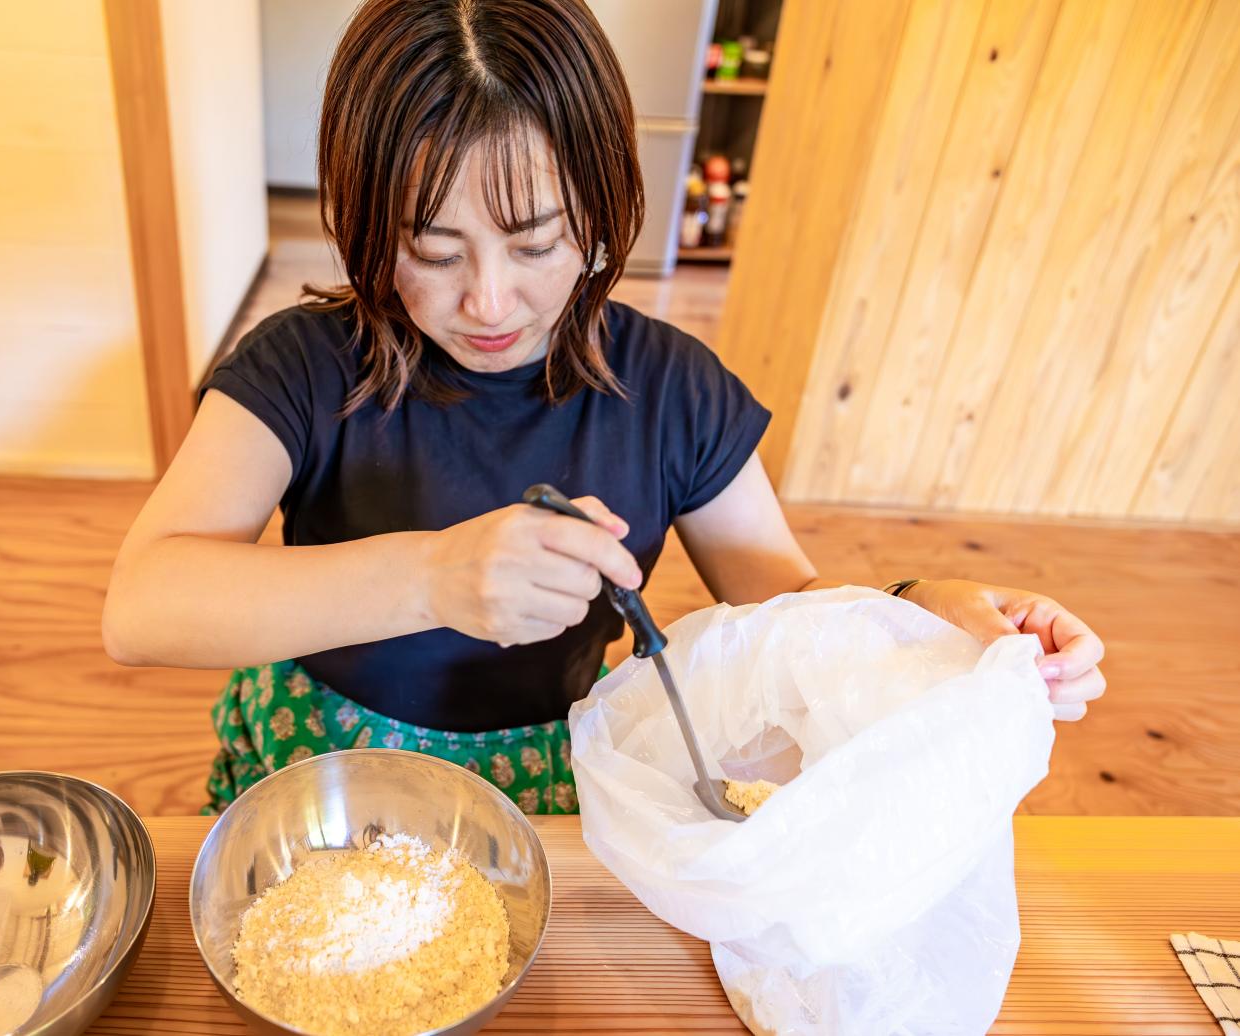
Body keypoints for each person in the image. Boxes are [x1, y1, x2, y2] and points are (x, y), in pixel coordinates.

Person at [103, 0, 1106, 814]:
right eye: (434, 251)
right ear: (364, 227)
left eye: (535, 242)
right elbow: (142, 605)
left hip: (558, 770)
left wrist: (927, 613)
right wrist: (428, 575)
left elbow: (784, 602)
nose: (488, 300)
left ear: (601, 211)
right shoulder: (306, 366)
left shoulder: (672, 389)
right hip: (328, 760)